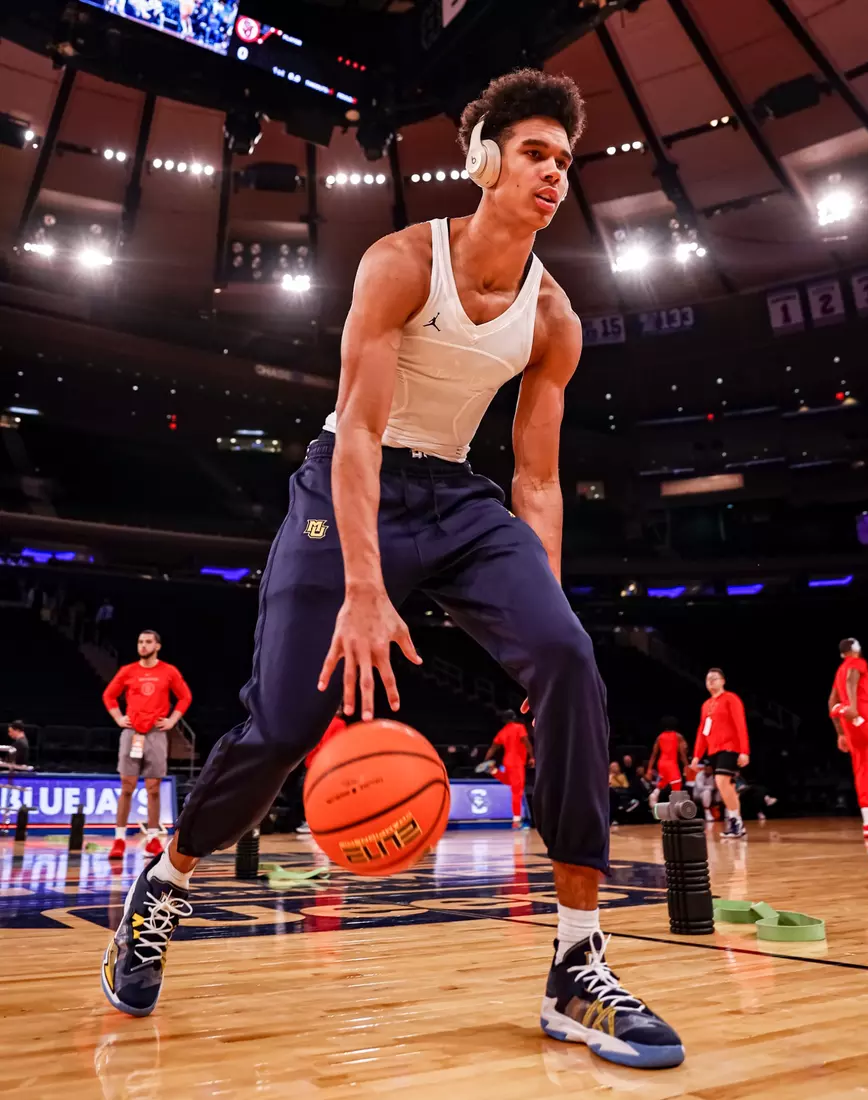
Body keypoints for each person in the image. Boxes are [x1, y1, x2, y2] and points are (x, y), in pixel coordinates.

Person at [100, 69, 683, 1069]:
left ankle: (576, 965)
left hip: (457, 497)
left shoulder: (553, 316)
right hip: (348, 480)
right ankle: (166, 881)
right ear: (485, 160)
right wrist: (365, 590)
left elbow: (538, 480)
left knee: (571, 660)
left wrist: (537, 621)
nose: (554, 173)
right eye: (535, 154)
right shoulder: (404, 261)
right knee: (284, 723)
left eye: (564, 160)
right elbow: (361, 432)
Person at [101, 630, 192, 859]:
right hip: (132, 732)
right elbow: (109, 696)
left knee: (153, 789)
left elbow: (185, 697)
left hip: (155, 734)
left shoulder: (168, 671)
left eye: (148, 642)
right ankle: (119, 840)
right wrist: (118, 718)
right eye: (140, 641)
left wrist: (172, 720)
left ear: (157, 646)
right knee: (127, 787)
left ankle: (153, 840)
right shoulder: (128, 670)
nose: (143, 645)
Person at [829, 638, 868, 840]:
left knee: (861, 767)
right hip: (864, 715)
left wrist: (840, 733)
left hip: (849, 724)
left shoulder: (839, 670)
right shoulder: (857, 663)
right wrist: (853, 707)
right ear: (856, 649)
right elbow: (851, 679)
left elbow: (832, 701)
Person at [692, 668, 750, 840]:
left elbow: (740, 724)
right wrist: (696, 755)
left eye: (715, 678)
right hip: (714, 750)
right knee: (727, 786)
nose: (711, 681)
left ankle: (736, 821)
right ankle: (736, 823)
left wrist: (744, 751)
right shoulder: (706, 705)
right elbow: (702, 731)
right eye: (708, 679)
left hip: (730, 747)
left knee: (721, 781)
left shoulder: (731, 698)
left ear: (723, 681)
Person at [295, 707, 348, 834]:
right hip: (324, 765)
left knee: (313, 795)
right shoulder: (337, 723)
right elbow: (338, 745)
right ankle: (318, 822)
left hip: (316, 765)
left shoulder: (320, 723)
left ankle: (316, 821)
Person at [480, 710, 533, 825]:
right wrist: (532, 757)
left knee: (510, 782)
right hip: (517, 763)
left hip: (507, 762)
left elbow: (493, 748)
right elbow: (525, 741)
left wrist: (485, 760)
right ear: (514, 718)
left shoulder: (503, 731)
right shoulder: (519, 727)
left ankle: (494, 771)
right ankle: (516, 820)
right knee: (517, 791)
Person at [647, 719, 688, 793]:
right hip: (671, 764)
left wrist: (649, 769)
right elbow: (682, 754)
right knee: (677, 784)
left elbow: (654, 755)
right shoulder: (678, 736)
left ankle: (654, 795)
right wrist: (686, 766)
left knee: (664, 782)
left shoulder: (659, 737)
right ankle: (675, 800)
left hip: (661, 764)